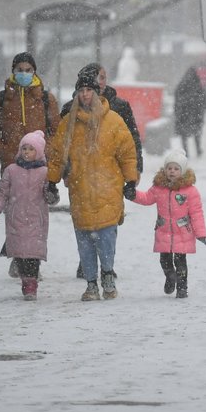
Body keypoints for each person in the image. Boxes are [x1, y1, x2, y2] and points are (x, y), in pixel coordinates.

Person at [48, 72, 139, 301]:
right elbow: (57, 155)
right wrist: (51, 181)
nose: (85, 95)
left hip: (108, 189)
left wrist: (130, 181)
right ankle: (91, 284)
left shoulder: (114, 122)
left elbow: (127, 154)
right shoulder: (68, 124)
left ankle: (107, 274)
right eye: (81, 91)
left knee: (106, 239)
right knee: (85, 241)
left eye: (89, 90)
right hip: (80, 190)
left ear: (97, 93)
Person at [0, 51, 60, 278]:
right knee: (15, 215)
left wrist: (46, 152)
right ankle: (18, 258)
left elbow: (56, 131)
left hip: (39, 168)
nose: (24, 74)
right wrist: (5, 153)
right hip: (12, 167)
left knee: (36, 216)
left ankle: (32, 262)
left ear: (34, 72)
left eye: (28, 70)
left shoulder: (46, 98)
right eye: (20, 70)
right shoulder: (1, 99)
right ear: (13, 71)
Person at [128, 149, 206, 299]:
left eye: (176, 169)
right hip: (163, 232)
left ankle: (182, 287)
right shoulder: (159, 188)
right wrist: (133, 194)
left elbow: (196, 213)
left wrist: (201, 233)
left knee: (180, 262)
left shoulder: (190, 191)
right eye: (169, 168)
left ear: (182, 171)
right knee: (164, 261)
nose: (172, 171)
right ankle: (170, 278)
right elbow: (146, 198)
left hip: (182, 233)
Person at [0, 130, 58, 301]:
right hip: (16, 219)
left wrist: (52, 194)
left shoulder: (45, 172)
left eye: (31, 149)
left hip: (36, 220)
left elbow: (50, 196)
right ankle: (25, 281)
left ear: (39, 152)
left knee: (33, 255)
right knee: (20, 254)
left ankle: (31, 284)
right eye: (24, 148)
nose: (27, 152)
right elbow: (2, 192)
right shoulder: (11, 171)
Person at [173, 66, 206, 158]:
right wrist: (202, 108)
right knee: (196, 133)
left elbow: (176, 98)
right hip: (196, 113)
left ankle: (186, 151)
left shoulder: (182, 84)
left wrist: (177, 111)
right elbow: (204, 100)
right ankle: (198, 150)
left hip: (183, 114)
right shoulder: (198, 85)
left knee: (184, 135)